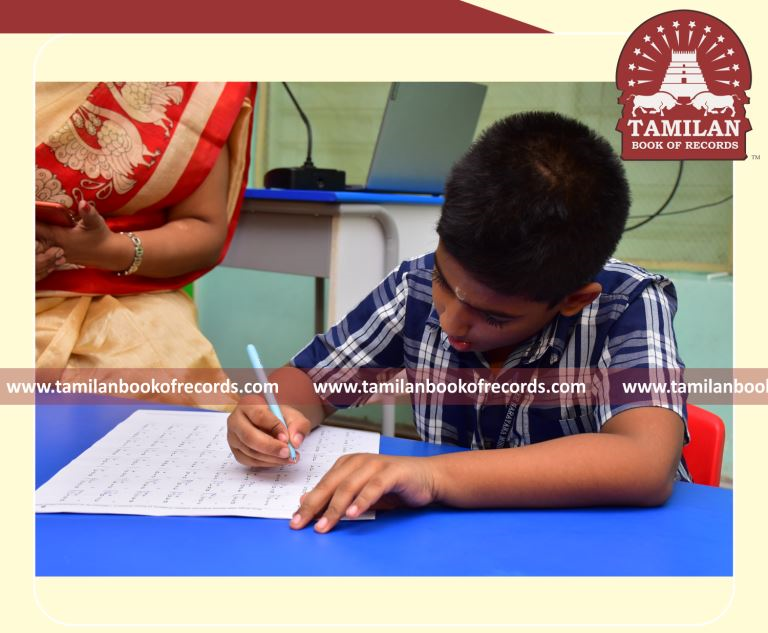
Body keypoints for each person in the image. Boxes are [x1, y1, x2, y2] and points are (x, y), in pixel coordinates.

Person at [227, 111, 690, 533]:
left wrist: (432, 476)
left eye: (493, 316)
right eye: (444, 282)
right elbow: (310, 383)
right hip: (455, 546)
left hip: (593, 553)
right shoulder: (415, 287)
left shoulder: (625, 305)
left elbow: (643, 461)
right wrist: (270, 418)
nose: (451, 321)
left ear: (572, 301)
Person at [35, 82, 256, 395]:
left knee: (154, 378)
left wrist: (107, 250)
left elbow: (202, 226)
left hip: (126, 304)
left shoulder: (189, 82)